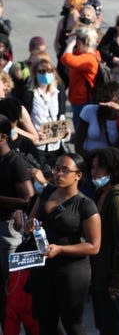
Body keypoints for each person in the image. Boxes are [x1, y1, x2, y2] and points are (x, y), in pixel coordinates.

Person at [29, 152, 101, 334]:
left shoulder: (85, 205)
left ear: (78, 175)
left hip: (71, 271)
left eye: (65, 170)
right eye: (57, 168)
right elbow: (32, 221)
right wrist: (25, 224)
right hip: (43, 267)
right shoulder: (46, 192)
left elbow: (94, 246)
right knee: (45, 322)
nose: (58, 173)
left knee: (73, 324)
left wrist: (60, 249)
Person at [90, 147, 119, 335]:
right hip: (100, 271)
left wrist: (117, 280)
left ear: (112, 170)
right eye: (92, 168)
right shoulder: (103, 192)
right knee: (104, 322)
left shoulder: (116, 200)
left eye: (99, 168)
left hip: (110, 274)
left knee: (113, 324)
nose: (94, 173)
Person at [0, 113, 34, 323]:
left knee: (11, 289)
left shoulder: (15, 162)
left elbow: (28, 199)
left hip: (8, 232)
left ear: (2, 136)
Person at [23, 58, 67, 166]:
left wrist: (66, 129)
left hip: (56, 144)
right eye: (41, 71)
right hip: (38, 146)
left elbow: (61, 114)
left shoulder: (59, 91)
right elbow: (23, 119)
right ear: (35, 73)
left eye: (49, 71)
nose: (46, 74)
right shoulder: (29, 94)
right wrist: (33, 133)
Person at [59, 27, 102, 129]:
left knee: (81, 129)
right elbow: (74, 55)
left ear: (81, 42)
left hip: (83, 101)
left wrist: (71, 43)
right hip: (81, 99)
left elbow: (66, 59)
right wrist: (76, 36)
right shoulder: (92, 54)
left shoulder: (88, 59)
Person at [74, 81, 119, 160]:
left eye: (109, 98)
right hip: (89, 159)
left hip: (111, 162)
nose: (105, 101)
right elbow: (78, 143)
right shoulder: (89, 110)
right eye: (103, 97)